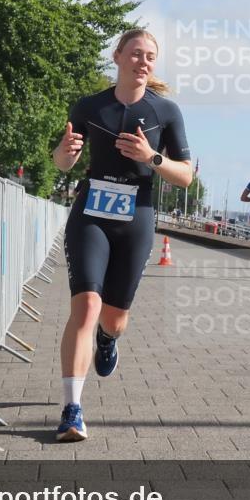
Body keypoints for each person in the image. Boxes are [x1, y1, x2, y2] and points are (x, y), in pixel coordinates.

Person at [51, 29, 193, 442]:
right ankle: (72, 410)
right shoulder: (91, 105)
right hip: (91, 213)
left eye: (150, 56)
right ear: (117, 57)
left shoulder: (165, 111)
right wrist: (67, 152)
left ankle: (108, 340)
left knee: (114, 318)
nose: (143, 61)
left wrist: (153, 158)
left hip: (137, 217)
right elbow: (61, 163)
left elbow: (186, 176)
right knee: (87, 305)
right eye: (135, 53)